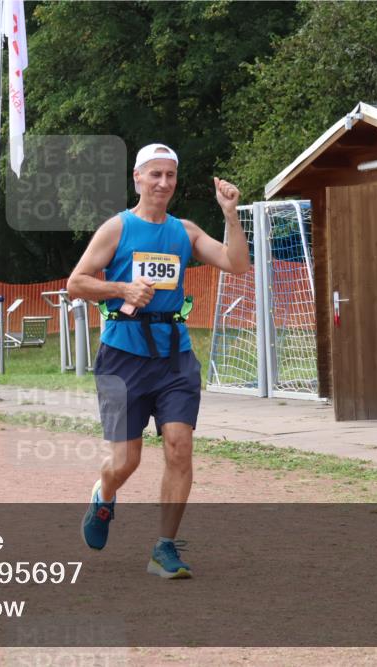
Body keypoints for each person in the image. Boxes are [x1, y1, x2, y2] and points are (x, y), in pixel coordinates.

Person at [67, 144, 249, 579]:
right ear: (137, 179)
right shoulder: (117, 229)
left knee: (179, 447)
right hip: (123, 358)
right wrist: (123, 290)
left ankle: (164, 548)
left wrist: (229, 215)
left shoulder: (184, 232)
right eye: (155, 175)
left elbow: (236, 264)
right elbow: (76, 282)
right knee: (126, 462)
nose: (163, 183)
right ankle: (105, 494)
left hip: (174, 357)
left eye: (170, 175)